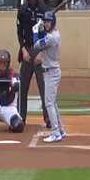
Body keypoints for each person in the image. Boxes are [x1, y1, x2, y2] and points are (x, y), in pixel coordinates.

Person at [16, 0, 50, 128]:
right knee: (22, 87)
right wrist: (23, 49)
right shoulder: (22, 10)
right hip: (27, 49)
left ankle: (48, 118)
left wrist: (41, 52)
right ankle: (21, 118)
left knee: (44, 87)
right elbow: (19, 32)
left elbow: (48, 34)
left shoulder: (44, 9)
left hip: (40, 50)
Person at [33, 11, 66, 143]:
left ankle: (55, 132)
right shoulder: (52, 34)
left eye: (48, 21)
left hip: (51, 72)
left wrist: (35, 31)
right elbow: (43, 38)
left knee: (49, 103)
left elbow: (37, 45)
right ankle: (60, 130)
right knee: (53, 103)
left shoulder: (52, 37)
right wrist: (41, 29)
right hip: (50, 72)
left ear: (53, 22)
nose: (46, 23)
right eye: (45, 21)